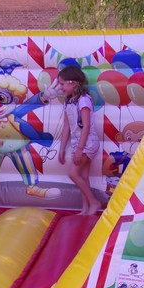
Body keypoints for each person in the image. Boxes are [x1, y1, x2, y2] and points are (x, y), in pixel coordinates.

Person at [56, 65, 101, 215]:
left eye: (62, 84)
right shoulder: (69, 102)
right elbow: (66, 127)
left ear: (73, 83)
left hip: (88, 143)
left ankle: (94, 202)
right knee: (83, 176)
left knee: (73, 174)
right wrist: (62, 148)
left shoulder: (84, 100)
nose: (60, 87)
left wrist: (80, 149)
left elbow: (86, 125)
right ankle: (85, 209)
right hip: (79, 144)